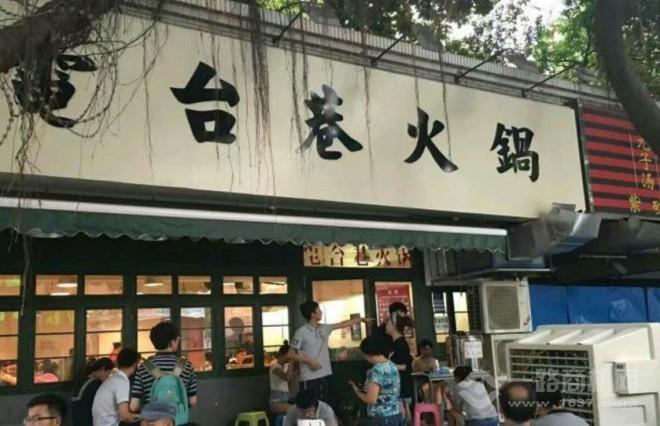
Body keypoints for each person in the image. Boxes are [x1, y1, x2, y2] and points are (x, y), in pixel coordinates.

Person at [289, 301, 372, 407]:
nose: (321, 312)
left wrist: (361, 319)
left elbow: (343, 323)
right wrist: (310, 361)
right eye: (318, 310)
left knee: (326, 406)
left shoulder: (325, 328)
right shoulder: (301, 331)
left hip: (326, 374)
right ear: (312, 314)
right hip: (309, 378)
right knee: (311, 406)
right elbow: (291, 354)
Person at [130, 321, 198, 422]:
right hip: (178, 421)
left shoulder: (144, 367)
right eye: (177, 339)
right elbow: (192, 401)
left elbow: (134, 406)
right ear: (172, 342)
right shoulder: (186, 366)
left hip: (153, 422)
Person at [349, 334, 402, 426]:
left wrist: (357, 391)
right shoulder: (392, 365)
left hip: (380, 417)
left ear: (369, 353)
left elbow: (371, 399)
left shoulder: (377, 370)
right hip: (395, 414)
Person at [92, 348, 141, 426]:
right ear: (135, 364)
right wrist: (144, 417)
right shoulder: (122, 381)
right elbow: (125, 416)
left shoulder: (113, 378)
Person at [385, 316, 414, 422]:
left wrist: (387, 365)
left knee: (403, 415)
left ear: (394, 325)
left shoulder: (401, 343)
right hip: (398, 385)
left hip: (402, 385)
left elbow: (405, 366)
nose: (386, 325)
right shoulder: (396, 342)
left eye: (388, 322)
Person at [72, 357, 115, 426]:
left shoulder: (84, 380)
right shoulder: (95, 384)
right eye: (109, 373)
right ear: (102, 369)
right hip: (86, 418)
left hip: (77, 418)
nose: (108, 377)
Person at [270, 341, 297, 414]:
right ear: (283, 354)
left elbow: (289, 383)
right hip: (277, 400)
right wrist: (291, 364)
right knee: (294, 410)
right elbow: (286, 377)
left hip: (287, 396)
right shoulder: (274, 365)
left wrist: (294, 376)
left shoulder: (285, 366)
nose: (289, 358)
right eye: (289, 356)